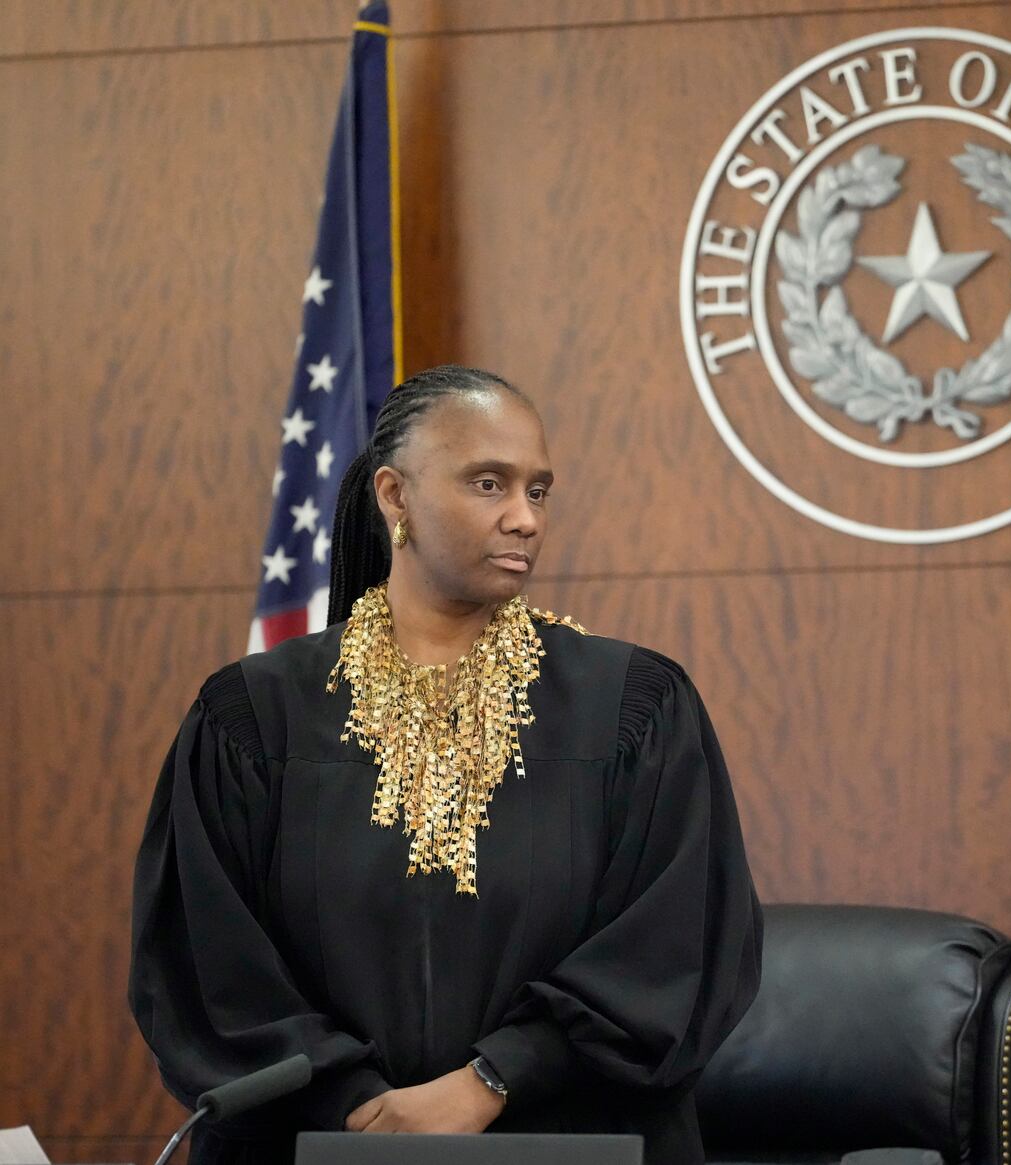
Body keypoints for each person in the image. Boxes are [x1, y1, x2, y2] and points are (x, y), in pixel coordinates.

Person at [129, 364, 762, 1165]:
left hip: (571, 1142)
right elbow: (206, 963)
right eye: (489, 483)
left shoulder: (633, 707)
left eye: (539, 490)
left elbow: (676, 946)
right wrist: (360, 1112)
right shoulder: (253, 717)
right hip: (315, 1145)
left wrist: (491, 1081)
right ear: (396, 496)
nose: (524, 517)